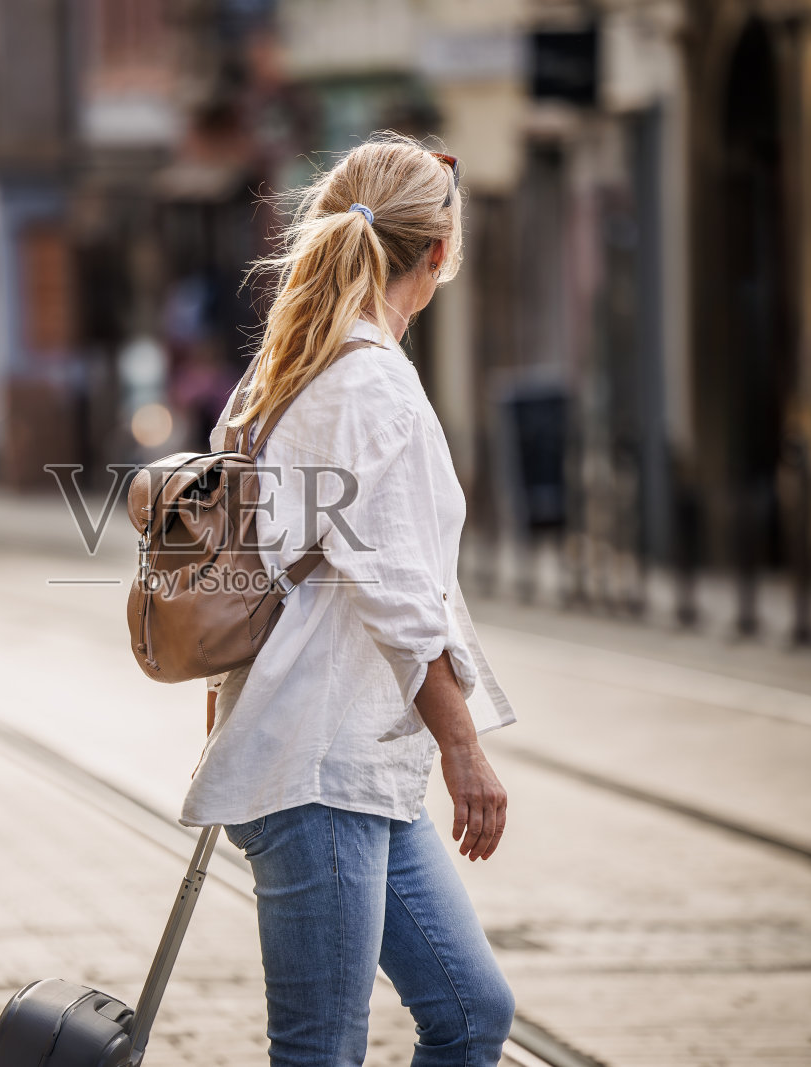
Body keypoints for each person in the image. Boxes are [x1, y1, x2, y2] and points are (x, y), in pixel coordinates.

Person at [184, 133, 518, 1066]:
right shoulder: (370, 385)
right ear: (441, 256)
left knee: (471, 1009)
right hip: (321, 765)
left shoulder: (284, 371)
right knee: (322, 1052)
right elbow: (401, 599)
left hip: (353, 766)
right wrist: (464, 747)